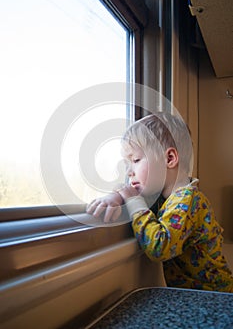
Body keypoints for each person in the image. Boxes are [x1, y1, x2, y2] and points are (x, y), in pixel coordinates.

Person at [86, 112, 233, 292]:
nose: (129, 172)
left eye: (136, 160)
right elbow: (133, 196)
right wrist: (116, 197)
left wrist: (133, 200)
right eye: (127, 165)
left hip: (217, 299)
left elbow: (159, 247)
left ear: (169, 159)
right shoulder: (164, 199)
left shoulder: (188, 200)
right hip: (196, 298)